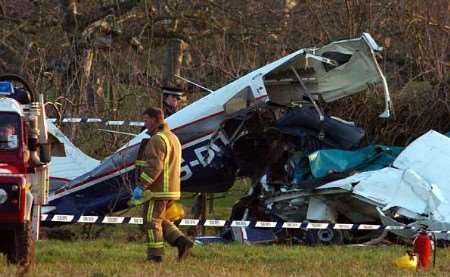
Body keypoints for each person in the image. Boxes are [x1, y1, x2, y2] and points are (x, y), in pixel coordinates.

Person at [132, 107, 193, 263]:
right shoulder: (172, 137)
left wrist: (141, 185)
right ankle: (182, 242)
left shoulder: (157, 139)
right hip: (171, 189)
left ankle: (155, 256)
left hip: (158, 190)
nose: (145, 125)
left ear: (154, 119)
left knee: (151, 222)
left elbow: (154, 166)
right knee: (160, 219)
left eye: (146, 121)